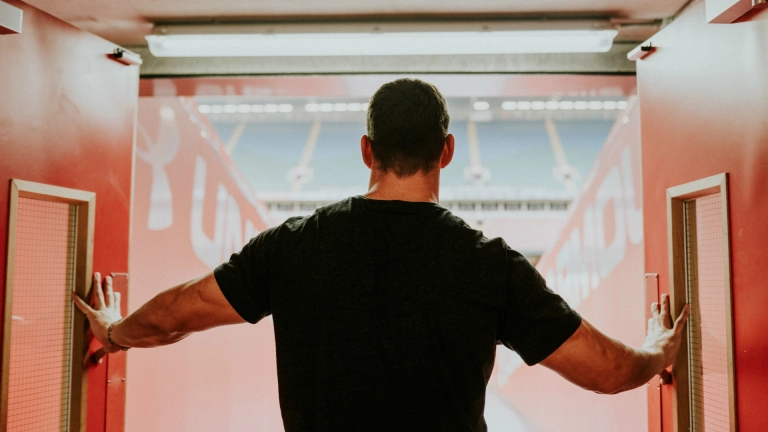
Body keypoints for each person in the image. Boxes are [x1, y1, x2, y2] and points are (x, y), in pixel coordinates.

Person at [74, 78, 689, 431]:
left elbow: (179, 311)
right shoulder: (489, 264)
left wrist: (114, 331)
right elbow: (608, 372)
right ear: (446, 151)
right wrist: (658, 350)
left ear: (367, 150)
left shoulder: (295, 245)